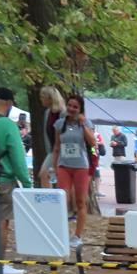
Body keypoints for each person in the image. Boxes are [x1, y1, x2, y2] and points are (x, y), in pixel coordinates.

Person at [0, 87, 32, 274]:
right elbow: (17, 158)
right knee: (2, 222)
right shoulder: (7, 125)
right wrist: (27, 183)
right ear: (8, 103)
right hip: (4, 180)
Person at [52, 94, 96, 249]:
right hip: (63, 165)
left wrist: (83, 124)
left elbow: (92, 142)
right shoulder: (60, 123)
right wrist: (54, 167)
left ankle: (77, 235)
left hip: (80, 167)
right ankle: (61, 232)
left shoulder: (86, 123)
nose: (71, 109)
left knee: (80, 201)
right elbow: (57, 146)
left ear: (80, 109)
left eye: (75, 107)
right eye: (69, 105)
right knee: (62, 199)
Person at [38, 86, 65, 188]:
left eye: (42, 97)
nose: (41, 99)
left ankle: (56, 196)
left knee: (46, 174)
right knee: (44, 174)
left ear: (50, 98)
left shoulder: (63, 113)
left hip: (62, 151)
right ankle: (49, 196)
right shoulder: (47, 113)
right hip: (52, 150)